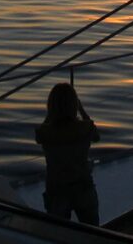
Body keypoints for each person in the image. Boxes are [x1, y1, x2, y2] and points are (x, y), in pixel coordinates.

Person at [35, 83, 100, 224]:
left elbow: (39, 135)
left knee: (58, 230)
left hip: (56, 190)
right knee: (92, 229)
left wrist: (51, 114)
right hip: (82, 187)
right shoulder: (85, 128)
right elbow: (96, 136)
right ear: (74, 105)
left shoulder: (45, 132)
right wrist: (81, 110)